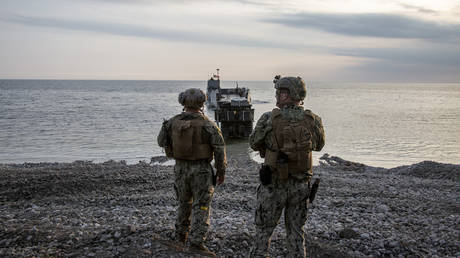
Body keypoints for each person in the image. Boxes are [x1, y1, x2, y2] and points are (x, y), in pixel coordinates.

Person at [249, 76, 325, 257]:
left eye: (280, 92)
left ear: (286, 95)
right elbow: (319, 145)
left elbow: (253, 143)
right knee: (296, 231)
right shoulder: (312, 119)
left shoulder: (269, 118)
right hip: (300, 185)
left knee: (264, 230)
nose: (277, 95)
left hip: (274, 184)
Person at [157, 88, 227, 255]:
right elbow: (219, 149)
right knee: (201, 205)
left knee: (184, 202)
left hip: (180, 168)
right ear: (202, 103)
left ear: (182, 102)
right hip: (201, 170)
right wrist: (221, 171)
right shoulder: (208, 124)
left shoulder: (172, 122)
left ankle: (181, 236)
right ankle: (196, 242)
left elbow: (161, 142)